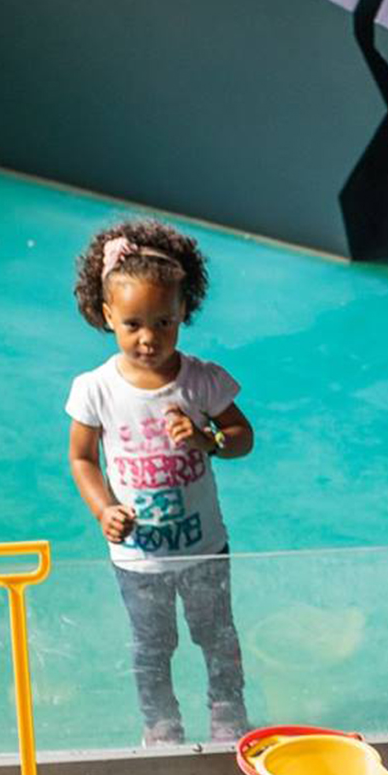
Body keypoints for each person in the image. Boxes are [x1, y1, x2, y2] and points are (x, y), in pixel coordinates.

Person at [63, 218, 253, 745]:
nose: (148, 338)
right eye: (133, 324)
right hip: (139, 559)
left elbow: (242, 437)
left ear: (183, 311)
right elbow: (82, 458)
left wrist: (208, 440)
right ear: (107, 315)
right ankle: (161, 724)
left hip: (204, 548)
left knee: (218, 637)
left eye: (164, 322)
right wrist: (104, 509)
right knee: (151, 645)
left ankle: (228, 712)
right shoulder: (95, 389)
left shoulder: (202, 380)